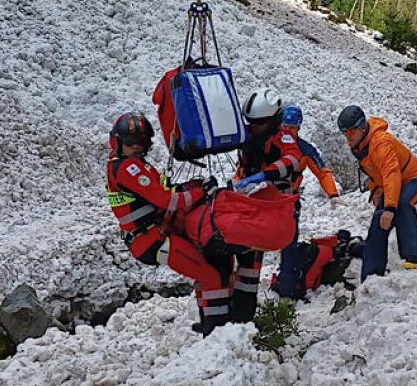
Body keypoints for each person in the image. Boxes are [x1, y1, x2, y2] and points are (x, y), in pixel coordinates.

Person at [106, 111, 233, 337]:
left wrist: (188, 187)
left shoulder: (134, 165)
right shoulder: (129, 168)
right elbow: (167, 200)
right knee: (211, 276)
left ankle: (210, 325)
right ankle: (217, 334)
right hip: (152, 240)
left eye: (142, 143)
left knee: (210, 270)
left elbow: (162, 191)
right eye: (130, 143)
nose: (136, 147)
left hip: (154, 235)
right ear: (117, 142)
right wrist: (199, 192)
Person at [233, 88, 303, 317]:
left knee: (279, 249)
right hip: (249, 201)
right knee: (244, 257)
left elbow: (292, 158)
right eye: (250, 122)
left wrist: (266, 175)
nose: (253, 127)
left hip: (275, 205)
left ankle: (287, 292)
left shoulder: (283, 137)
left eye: (259, 123)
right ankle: (239, 312)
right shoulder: (248, 132)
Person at [338, 105, 417, 281]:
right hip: (390, 185)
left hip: (414, 179)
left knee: (402, 205)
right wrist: (377, 191)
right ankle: (371, 276)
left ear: (362, 127)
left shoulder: (380, 142)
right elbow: (376, 172)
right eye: (345, 134)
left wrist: (390, 207)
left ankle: (412, 258)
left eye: (351, 132)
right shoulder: (360, 145)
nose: (348, 137)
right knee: (377, 227)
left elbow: (391, 173)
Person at [273, 103, 340, 298]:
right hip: (265, 201)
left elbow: (322, 172)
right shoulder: (268, 145)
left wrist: (332, 194)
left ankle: (288, 287)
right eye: (283, 126)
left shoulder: (304, 150)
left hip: (288, 201)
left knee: (288, 244)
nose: (286, 131)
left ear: (299, 128)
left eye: (291, 127)